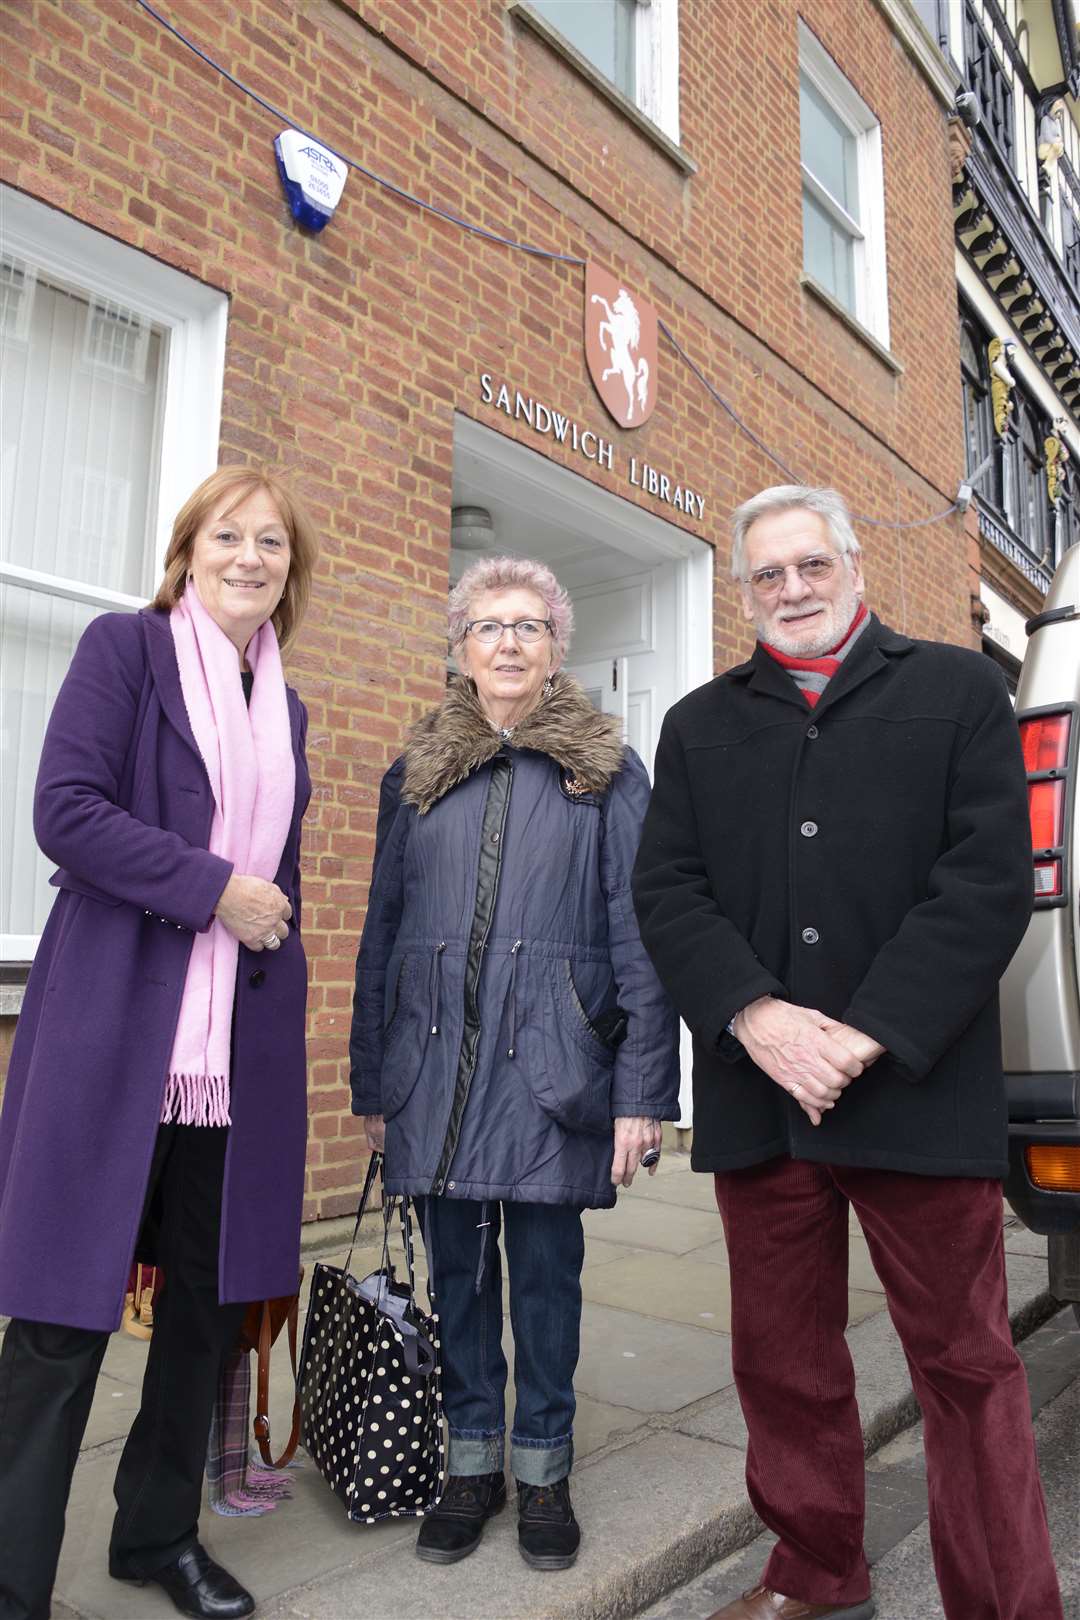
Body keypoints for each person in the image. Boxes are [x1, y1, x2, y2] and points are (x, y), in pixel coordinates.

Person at [631, 486, 1063, 1620]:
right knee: (783, 1366)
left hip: (914, 1092)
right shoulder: (697, 724)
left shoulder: (961, 690)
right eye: (767, 575)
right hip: (757, 1097)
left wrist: (867, 1032)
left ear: (856, 566)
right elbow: (668, 891)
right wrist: (757, 1017)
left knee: (967, 1369)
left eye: (811, 564)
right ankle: (816, 1576)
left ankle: (1004, 1602)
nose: (792, 590)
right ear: (743, 591)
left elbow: (986, 883)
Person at [0, 465, 319, 1620]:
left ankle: (155, 1537)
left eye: (271, 544)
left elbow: (275, 886)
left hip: (233, 1055)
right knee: (60, 1314)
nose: (249, 556)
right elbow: (66, 811)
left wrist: (259, 919)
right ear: (187, 555)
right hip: (115, 1026)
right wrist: (214, 890)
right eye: (226, 536)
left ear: (291, 574)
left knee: (203, 1306)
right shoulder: (123, 653)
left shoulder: (284, 708)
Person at [350, 555, 680, 1571]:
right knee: (457, 1274)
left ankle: (542, 1472)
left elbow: (640, 930)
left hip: (556, 1067)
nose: (507, 642)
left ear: (555, 649)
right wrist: (374, 1079)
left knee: (544, 1280)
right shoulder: (413, 774)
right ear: (459, 648)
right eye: (488, 625)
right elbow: (382, 929)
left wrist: (642, 1094)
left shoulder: (608, 771)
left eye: (528, 626)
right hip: (436, 1066)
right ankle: (468, 1466)